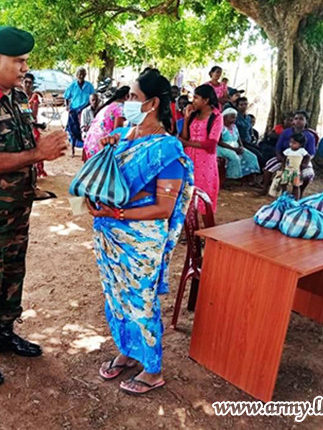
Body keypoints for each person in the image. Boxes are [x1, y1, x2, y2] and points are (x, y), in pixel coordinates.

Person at [0, 26, 68, 387]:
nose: (24, 68)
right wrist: (39, 153)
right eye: (18, 61)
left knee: (11, 275)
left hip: (17, 212)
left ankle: (4, 334)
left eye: (25, 61)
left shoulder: (17, 99)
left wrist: (42, 143)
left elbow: (21, 145)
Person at [86, 69, 194, 396]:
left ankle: (153, 369)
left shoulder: (167, 150)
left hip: (141, 241)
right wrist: (108, 148)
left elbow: (163, 208)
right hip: (111, 237)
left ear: (153, 103)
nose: (127, 103)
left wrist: (116, 212)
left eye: (133, 97)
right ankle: (129, 352)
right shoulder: (125, 136)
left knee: (141, 302)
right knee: (117, 299)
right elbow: (111, 180)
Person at [179, 84, 223, 213]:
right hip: (189, 157)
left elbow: (211, 145)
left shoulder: (216, 117)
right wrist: (186, 119)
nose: (193, 101)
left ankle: (204, 223)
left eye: (196, 98)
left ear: (206, 100)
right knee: (187, 189)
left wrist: (187, 143)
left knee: (204, 190)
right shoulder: (193, 114)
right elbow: (184, 136)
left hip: (205, 161)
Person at [260, 110, 317, 197]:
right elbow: (278, 147)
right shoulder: (286, 132)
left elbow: (311, 153)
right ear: (293, 121)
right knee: (269, 166)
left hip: (301, 160)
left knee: (309, 173)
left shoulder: (309, 136)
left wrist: (303, 164)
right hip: (285, 157)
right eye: (296, 118)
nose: (298, 121)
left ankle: (300, 191)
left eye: (301, 119)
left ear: (306, 121)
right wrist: (281, 158)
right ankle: (264, 189)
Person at [82, 86, 129, 159]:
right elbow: (117, 133)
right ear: (127, 97)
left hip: (90, 144)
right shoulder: (120, 108)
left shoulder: (109, 106)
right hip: (99, 147)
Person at [217, 107, 260, 183]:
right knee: (234, 158)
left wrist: (241, 146)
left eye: (235, 118)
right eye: (232, 117)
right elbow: (219, 142)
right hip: (223, 148)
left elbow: (238, 138)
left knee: (252, 157)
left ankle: (252, 179)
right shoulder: (220, 127)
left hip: (235, 147)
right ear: (225, 117)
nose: (234, 120)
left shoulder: (234, 127)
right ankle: (231, 179)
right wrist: (234, 149)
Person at [64, 67, 96, 156]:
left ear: (85, 75)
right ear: (76, 75)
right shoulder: (72, 86)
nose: (81, 76)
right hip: (74, 110)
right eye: (79, 74)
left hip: (85, 110)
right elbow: (66, 97)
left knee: (85, 129)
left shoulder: (89, 86)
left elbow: (93, 97)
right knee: (73, 129)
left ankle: (85, 150)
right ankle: (73, 150)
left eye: (83, 74)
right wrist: (67, 107)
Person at [22, 72, 48, 178]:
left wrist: (23, 109)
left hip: (31, 125)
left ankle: (37, 170)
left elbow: (33, 114)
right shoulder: (17, 94)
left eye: (30, 82)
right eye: (26, 82)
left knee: (36, 144)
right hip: (21, 125)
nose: (28, 84)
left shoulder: (34, 96)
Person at [233, 97, 265, 167]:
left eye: (245, 104)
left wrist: (254, 140)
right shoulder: (235, 118)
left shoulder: (248, 118)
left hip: (249, 141)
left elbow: (251, 131)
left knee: (264, 151)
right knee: (257, 155)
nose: (244, 106)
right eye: (241, 105)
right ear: (237, 106)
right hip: (241, 142)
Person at [278, 132, 310, 200]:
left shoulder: (302, 151)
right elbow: (284, 159)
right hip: (287, 170)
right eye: (290, 142)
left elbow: (307, 157)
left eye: (294, 143)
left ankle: (296, 199)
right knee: (283, 183)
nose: (291, 144)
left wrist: (305, 164)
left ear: (300, 144)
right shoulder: (288, 151)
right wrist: (283, 167)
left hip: (296, 171)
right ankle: (283, 196)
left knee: (296, 186)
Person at [80, 93, 101, 159]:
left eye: (96, 100)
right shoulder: (85, 111)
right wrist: (93, 128)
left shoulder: (101, 111)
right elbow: (83, 127)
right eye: (93, 100)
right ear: (90, 101)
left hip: (98, 133)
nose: (95, 102)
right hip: (88, 133)